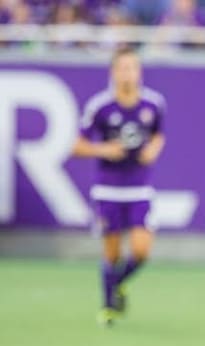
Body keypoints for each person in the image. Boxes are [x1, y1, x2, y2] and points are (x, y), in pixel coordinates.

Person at [73, 47, 166, 326]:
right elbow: (77, 145)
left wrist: (153, 150)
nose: (127, 74)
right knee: (112, 252)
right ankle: (108, 306)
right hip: (108, 189)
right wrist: (104, 149)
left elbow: (159, 135)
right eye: (122, 68)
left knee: (141, 250)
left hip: (139, 188)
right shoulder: (100, 106)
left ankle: (117, 285)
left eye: (132, 68)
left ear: (139, 72)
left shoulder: (153, 104)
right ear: (113, 73)